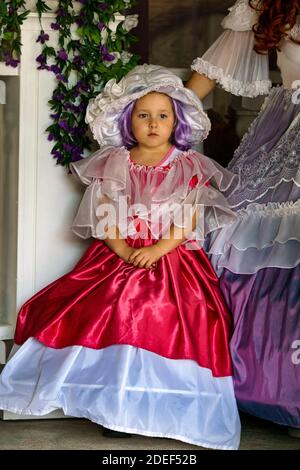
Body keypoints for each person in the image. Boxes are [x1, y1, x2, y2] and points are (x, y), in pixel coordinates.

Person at [0, 64, 241, 450]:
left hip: (171, 256)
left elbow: (188, 216)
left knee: (170, 315)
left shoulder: (187, 164)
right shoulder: (115, 162)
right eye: (143, 115)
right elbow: (103, 212)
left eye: (163, 116)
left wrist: (159, 249)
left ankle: (159, 402)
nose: (152, 124)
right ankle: (114, 401)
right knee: (104, 308)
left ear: (175, 122)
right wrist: (125, 248)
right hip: (119, 251)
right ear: (129, 122)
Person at [186, 0, 300, 434]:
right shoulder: (268, 6)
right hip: (286, 142)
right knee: (250, 235)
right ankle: (275, 390)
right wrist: (149, 113)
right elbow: (210, 72)